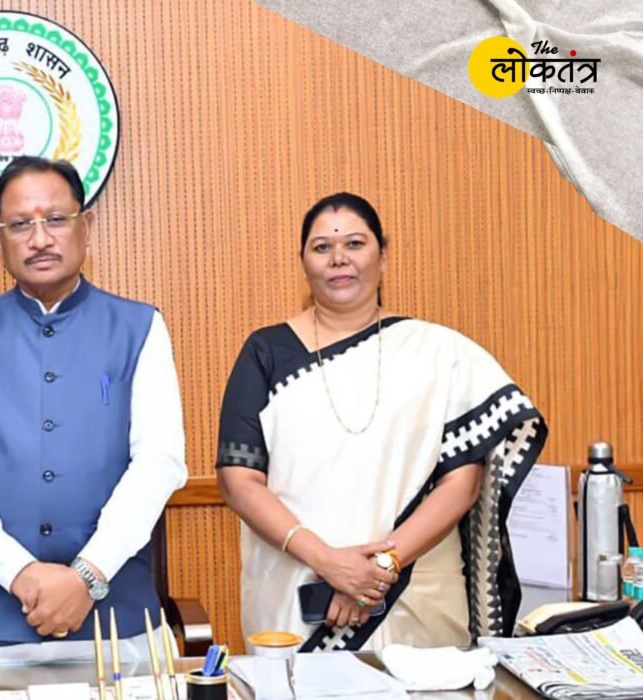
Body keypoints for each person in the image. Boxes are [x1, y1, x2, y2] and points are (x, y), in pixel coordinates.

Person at [217, 192, 547, 651]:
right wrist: (330, 563)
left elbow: (463, 482)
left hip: (415, 595)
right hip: (298, 593)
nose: (339, 259)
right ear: (303, 261)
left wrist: (380, 570)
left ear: (383, 254)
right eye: (321, 247)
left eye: (354, 243)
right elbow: (239, 481)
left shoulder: (440, 354)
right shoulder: (265, 354)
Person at [0, 157, 188, 662]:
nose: (40, 239)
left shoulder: (140, 327)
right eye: (21, 225)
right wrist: (16, 571)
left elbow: (159, 461)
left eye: (56, 220)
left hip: (116, 624)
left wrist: (88, 576)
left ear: (86, 226)